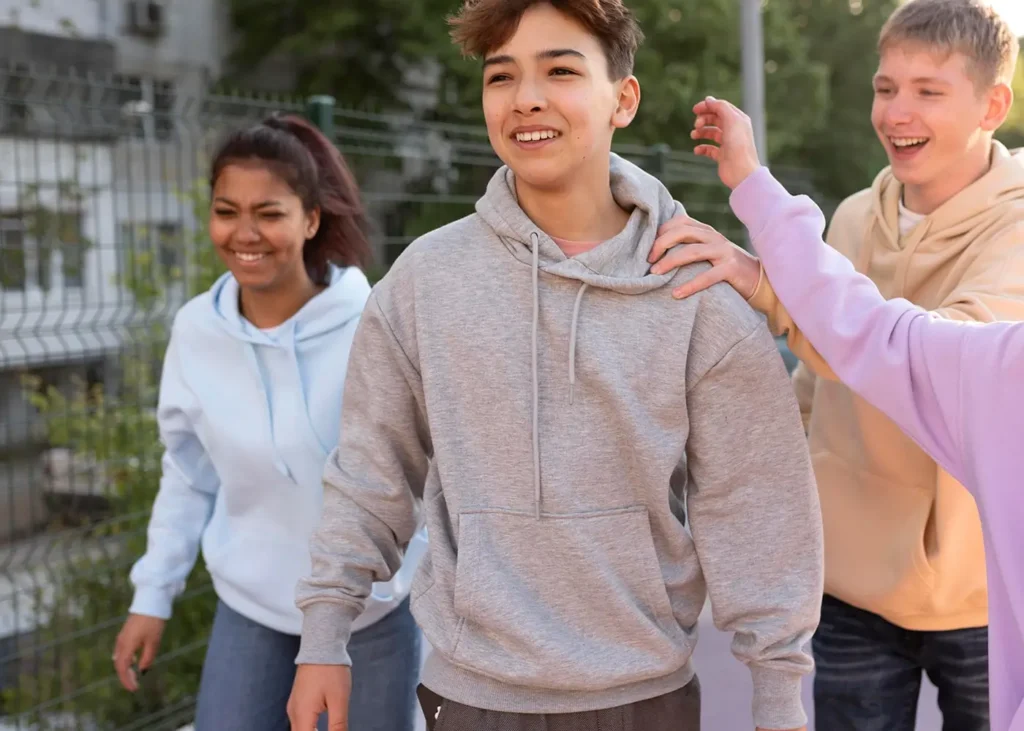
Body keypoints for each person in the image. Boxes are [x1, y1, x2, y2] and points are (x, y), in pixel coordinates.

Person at [287, 2, 823, 731]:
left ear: (622, 100)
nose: (526, 99)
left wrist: (779, 695)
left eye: (560, 71)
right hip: (472, 694)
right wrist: (325, 633)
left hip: (643, 697)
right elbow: (370, 471)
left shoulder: (695, 292)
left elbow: (754, 504)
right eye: (501, 77)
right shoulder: (426, 280)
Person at [654, 1, 1024, 728]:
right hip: (852, 584)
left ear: (993, 105)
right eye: (886, 88)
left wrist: (770, 283)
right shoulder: (854, 216)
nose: (897, 111)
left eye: (928, 90)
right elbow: (813, 389)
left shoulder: (1017, 225)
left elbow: (923, 364)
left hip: (981, 592)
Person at [111, 114, 425, 731]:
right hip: (253, 607)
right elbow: (189, 476)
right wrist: (152, 595)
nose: (245, 233)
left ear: (311, 220)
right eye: (226, 211)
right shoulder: (196, 331)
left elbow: (419, 477)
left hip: (368, 612)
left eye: (269, 213)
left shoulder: (376, 325)